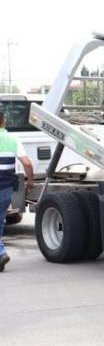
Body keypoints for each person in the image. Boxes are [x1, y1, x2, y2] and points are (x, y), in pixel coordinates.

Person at [0, 111, 35, 271]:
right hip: (6, 188)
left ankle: (1, 253)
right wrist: (30, 181)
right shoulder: (12, 139)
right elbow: (27, 164)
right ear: (4, 122)